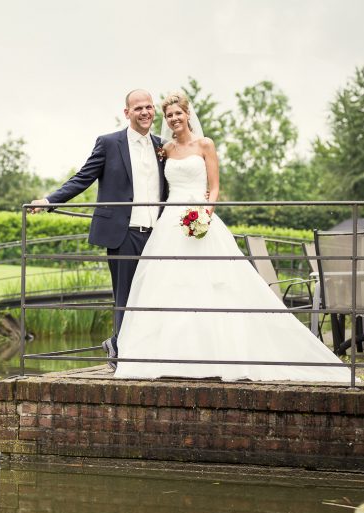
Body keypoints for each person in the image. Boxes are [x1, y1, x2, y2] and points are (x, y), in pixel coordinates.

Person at [114, 91, 351, 382]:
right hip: (169, 225)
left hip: (201, 219)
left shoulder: (205, 145)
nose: (174, 119)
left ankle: (220, 356)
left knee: (215, 286)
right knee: (170, 287)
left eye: (178, 113)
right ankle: (173, 358)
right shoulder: (166, 150)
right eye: (170, 115)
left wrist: (205, 213)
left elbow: (214, 187)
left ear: (188, 114)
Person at [30, 89, 167, 369]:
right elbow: (83, 177)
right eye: (138, 107)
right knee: (125, 295)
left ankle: (133, 347)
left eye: (149, 107)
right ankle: (121, 353)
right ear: (126, 112)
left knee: (155, 295)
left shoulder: (163, 146)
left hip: (158, 235)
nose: (145, 112)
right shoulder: (108, 143)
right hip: (123, 232)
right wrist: (49, 201)